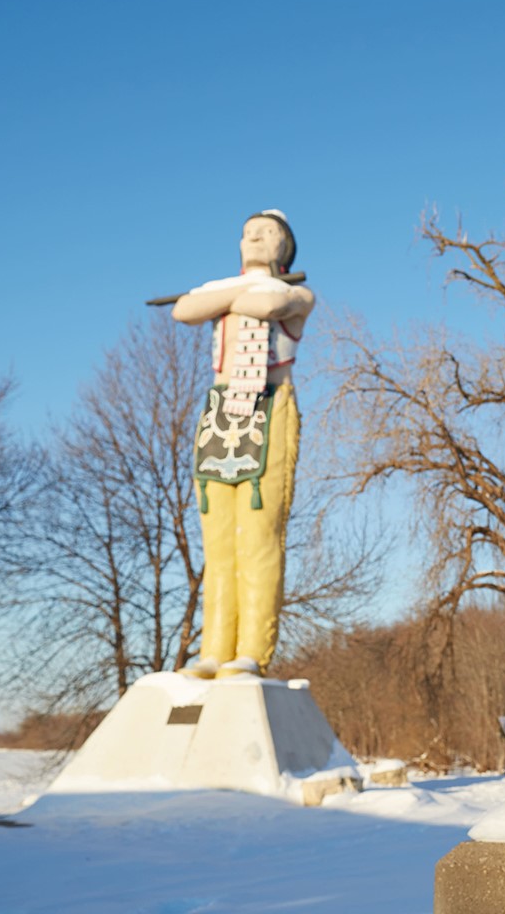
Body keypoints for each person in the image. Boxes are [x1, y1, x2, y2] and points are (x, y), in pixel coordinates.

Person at [172, 210, 315, 678]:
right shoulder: (229, 291)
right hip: (219, 413)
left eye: (267, 232)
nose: (253, 236)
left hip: (269, 406)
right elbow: (184, 310)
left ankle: (253, 649)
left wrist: (223, 295)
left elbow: (268, 305)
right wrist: (231, 291)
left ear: (285, 246)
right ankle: (214, 648)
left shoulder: (296, 293)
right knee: (218, 542)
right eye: (248, 231)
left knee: (258, 534)